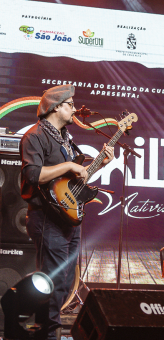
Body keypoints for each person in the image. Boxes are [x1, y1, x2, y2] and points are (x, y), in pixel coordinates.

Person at [20, 84, 113, 340]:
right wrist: (69, 165)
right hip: (47, 218)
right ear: (56, 107)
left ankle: (47, 332)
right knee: (52, 282)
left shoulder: (65, 138)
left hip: (68, 218)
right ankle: (47, 336)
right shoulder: (34, 136)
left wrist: (100, 165)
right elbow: (33, 174)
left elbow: (72, 183)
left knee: (63, 284)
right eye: (70, 104)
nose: (74, 109)